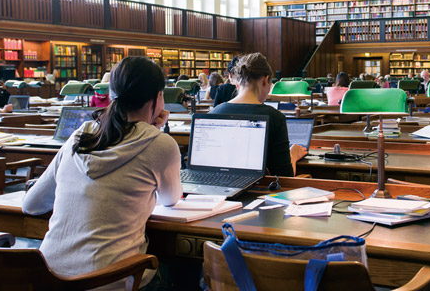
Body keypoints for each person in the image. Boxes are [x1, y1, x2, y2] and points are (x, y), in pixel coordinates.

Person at [22, 56, 182, 289]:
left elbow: (31, 204)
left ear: (111, 93)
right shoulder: (161, 145)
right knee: (180, 271)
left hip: (49, 280)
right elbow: (170, 199)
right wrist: (153, 131)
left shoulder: (78, 137)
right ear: (158, 98)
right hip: (109, 282)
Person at [210, 53, 307, 176]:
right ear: (266, 80)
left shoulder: (214, 112)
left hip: (214, 189)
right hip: (257, 192)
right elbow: (284, 178)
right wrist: (293, 155)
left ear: (238, 82)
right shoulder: (274, 117)